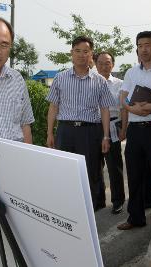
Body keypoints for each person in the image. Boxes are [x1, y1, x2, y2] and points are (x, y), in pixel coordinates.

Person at [46, 36, 115, 211]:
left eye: (86, 51)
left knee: (91, 173)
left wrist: (106, 136)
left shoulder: (99, 80)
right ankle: (67, 210)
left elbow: (105, 109)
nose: (81, 55)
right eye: (77, 51)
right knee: (65, 172)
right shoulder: (60, 78)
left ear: (91, 54)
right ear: (71, 53)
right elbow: (53, 107)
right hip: (66, 131)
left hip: (90, 132)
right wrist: (50, 133)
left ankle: (88, 213)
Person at [117, 31, 151, 230]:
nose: (143, 49)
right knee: (134, 175)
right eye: (140, 45)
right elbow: (123, 97)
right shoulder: (131, 72)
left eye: (147, 45)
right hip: (135, 130)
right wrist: (131, 108)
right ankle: (135, 218)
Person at [95, 51, 125, 214]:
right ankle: (98, 200)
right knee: (95, 166)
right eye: (100, 62)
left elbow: (123, 108)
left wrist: (123, 129)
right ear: (95, 64)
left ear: (112, 64)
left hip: (113, 126)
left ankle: (118, 200)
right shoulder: (90, 82)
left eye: (107, 62)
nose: (104, 66)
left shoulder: (120, 84)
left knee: (114, 166)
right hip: (94, 127)